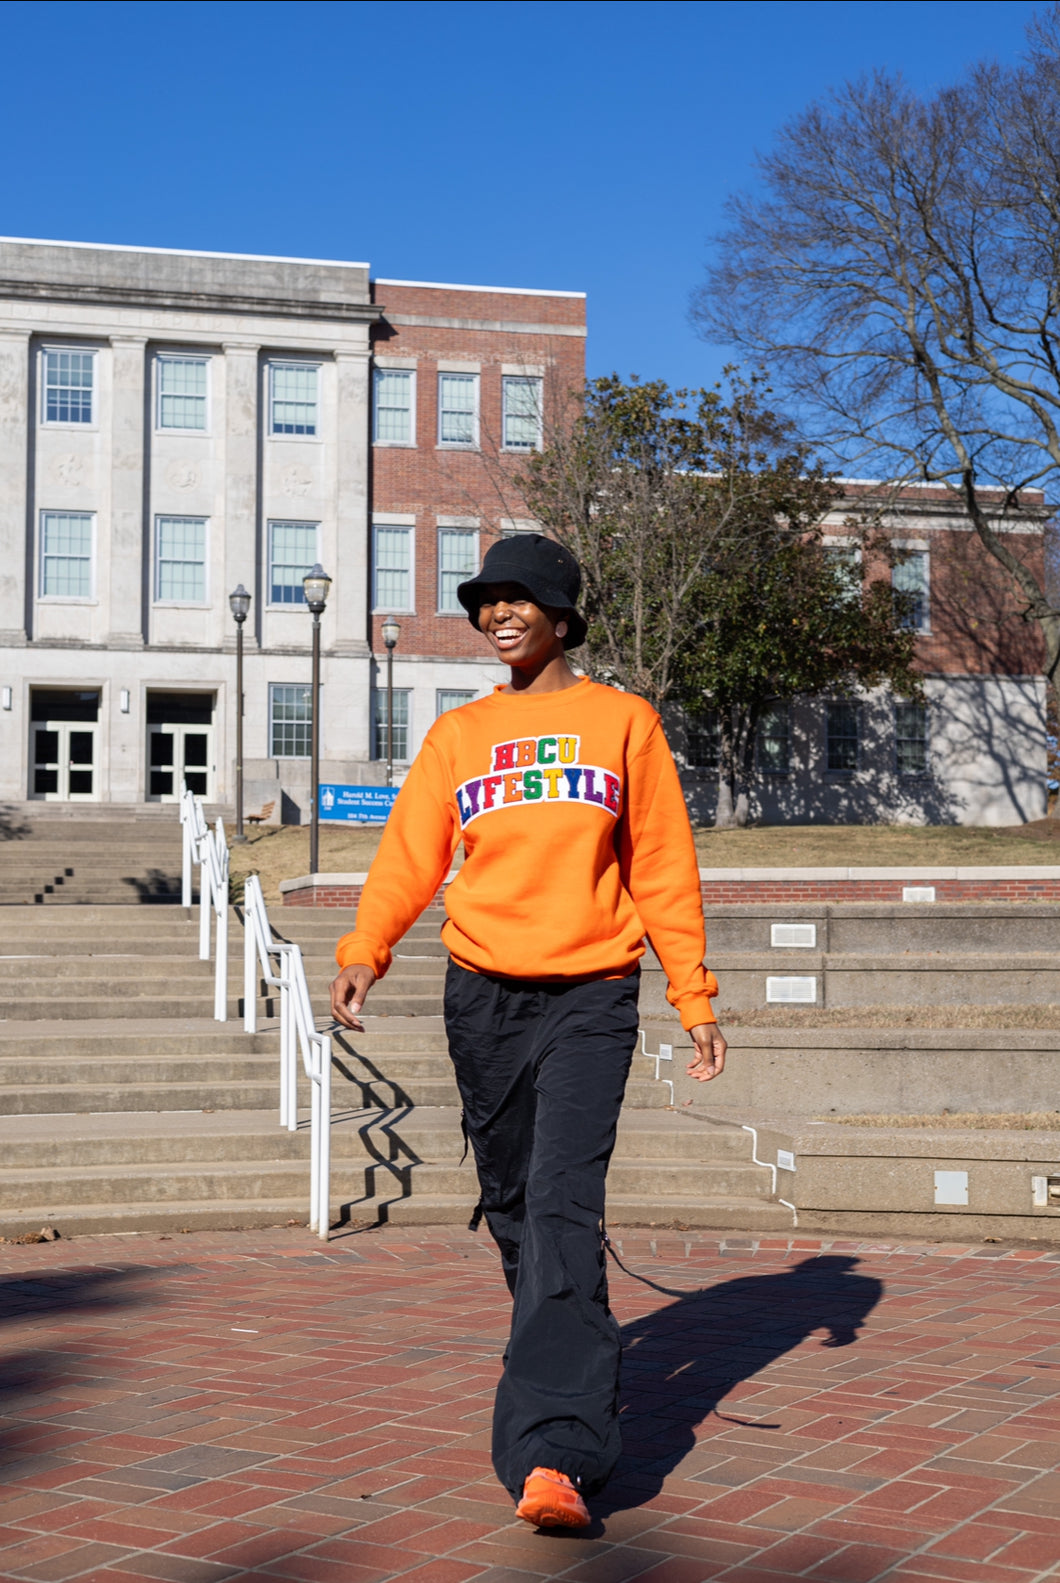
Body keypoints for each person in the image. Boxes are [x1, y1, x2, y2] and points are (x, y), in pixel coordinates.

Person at [330, 533, 726, 1530]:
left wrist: (695, 995)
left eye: (519, 598)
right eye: (486, 599)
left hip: (592, 992)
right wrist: (366, 945)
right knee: (513, 1206)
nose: (499, 613)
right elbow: (411, 850)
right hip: (482, 997)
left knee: (557, 1203)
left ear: (561, 615)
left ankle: (555, 1449)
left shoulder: (621, 723)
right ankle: (565, 1339)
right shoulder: (459, 736)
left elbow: (662, 868)